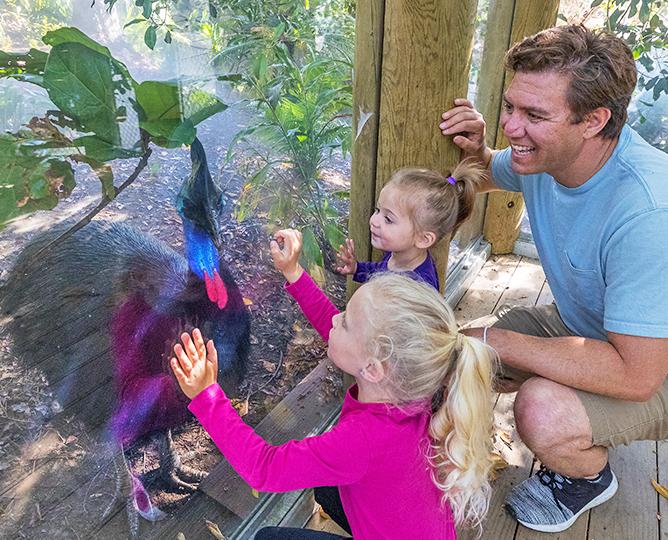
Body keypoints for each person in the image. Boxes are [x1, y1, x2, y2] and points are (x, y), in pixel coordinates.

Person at [439, 23, 668, 533]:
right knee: (460, 358)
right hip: (592, 329)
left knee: (540, 409)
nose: (511, 128)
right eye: (511, 107)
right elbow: (496, 165)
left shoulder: (649, 213)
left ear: (594, 120)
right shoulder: (545, 156)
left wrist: (497, 337)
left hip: (655, 364)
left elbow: (638, 375)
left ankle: (588, 478)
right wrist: (475, 148)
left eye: (534, 115)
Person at [169, 228, 498, 539]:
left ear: (372, 368)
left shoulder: (363, 440)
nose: (336, 319)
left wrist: (206, 396)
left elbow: (263, 469)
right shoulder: (418, 391)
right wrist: (294, 273)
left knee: (266, 537)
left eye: (347, 320)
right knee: (328, 487)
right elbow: (343, 338)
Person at [335, 162, 483, 291]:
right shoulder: (398, 254)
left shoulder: (419, 287)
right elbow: (381, 270)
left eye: (388, 219)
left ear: (424, 239)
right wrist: (357, 269)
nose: (374, 220)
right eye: (377, 210)